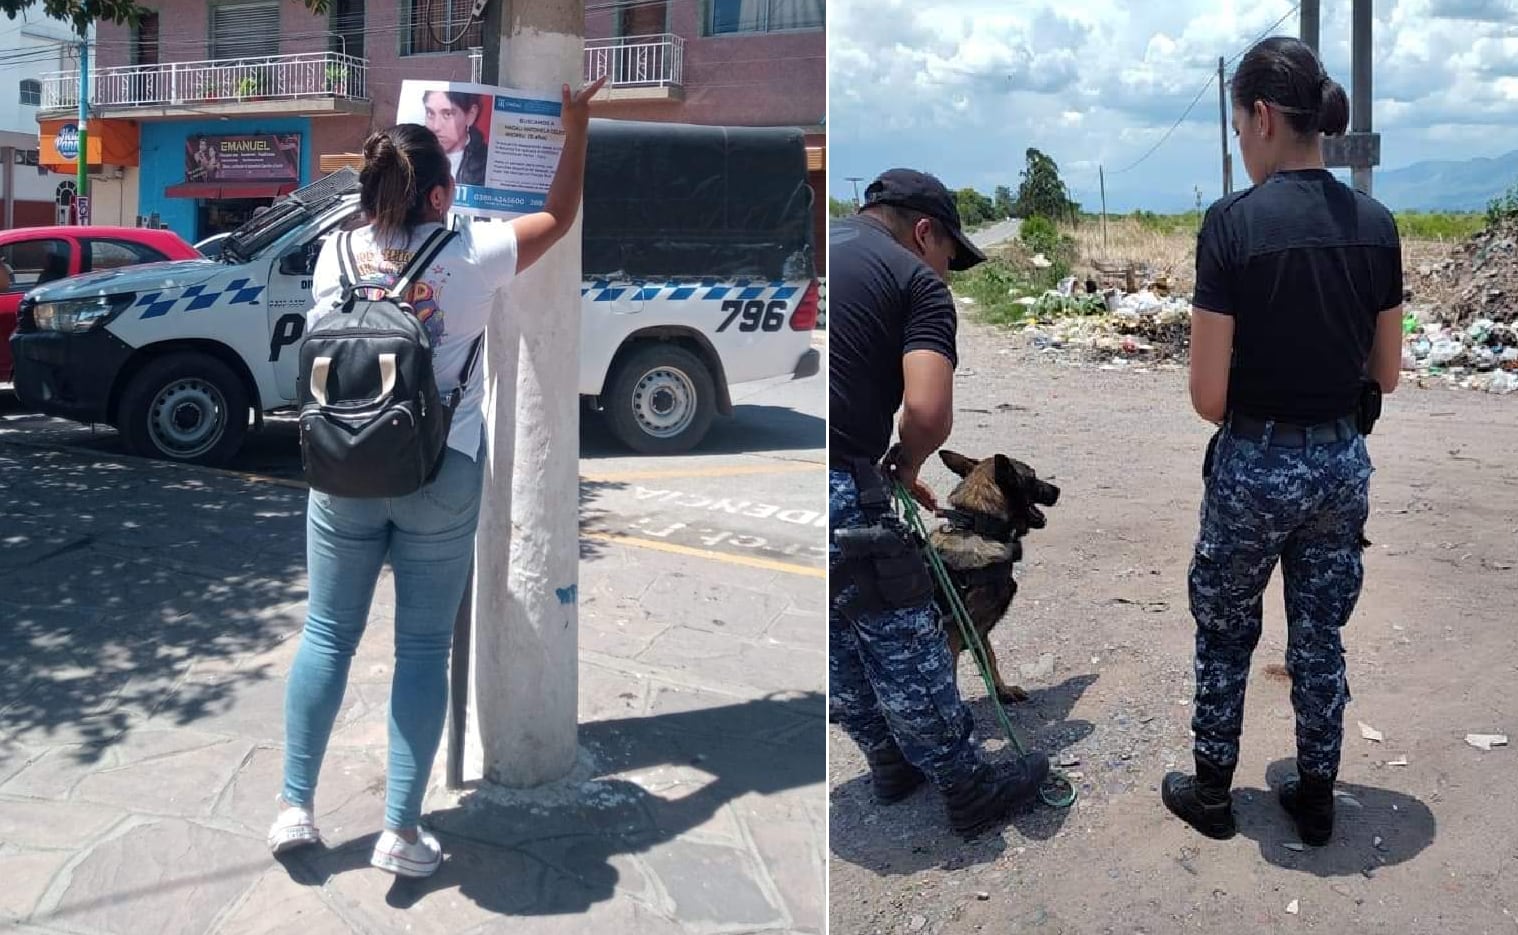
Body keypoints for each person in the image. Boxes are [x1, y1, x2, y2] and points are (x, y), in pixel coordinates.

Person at [268, 75, 607, 878]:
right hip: (440, 471)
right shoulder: (470, 253)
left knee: (325, 636)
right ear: (443, 191)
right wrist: (577, 124)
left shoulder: (333, 256)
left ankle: (294, 806)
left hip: (341, 472)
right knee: (422, 649)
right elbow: (559, 217)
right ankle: (400, 829)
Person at [1160, 37, 1404, 847]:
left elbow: (1207, 397)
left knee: (1228, 628)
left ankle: (1212, 791)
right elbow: (1389, 372)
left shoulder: (1231, 227)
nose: (1240, 141)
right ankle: (1319, 792)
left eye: (1237, 126)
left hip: (1254, 463)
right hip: (1340, 460)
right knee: (1319, 632)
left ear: (1262, 116)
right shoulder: (1375, 225)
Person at [829, 168, 1050, 839]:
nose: (948, 273)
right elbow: (927, 410)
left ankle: (889, 761)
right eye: (950, 256)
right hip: (842, 478)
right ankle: (967, 783)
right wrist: (908, 460)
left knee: (838, 640)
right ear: (925, 232)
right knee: (905, 640)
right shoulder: (914, 280)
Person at [423, 90, 489, 187]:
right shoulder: (415, 154)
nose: (436, 126)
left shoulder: (486, 162)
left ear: (471, 115)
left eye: (447, 114)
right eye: (430, 113)